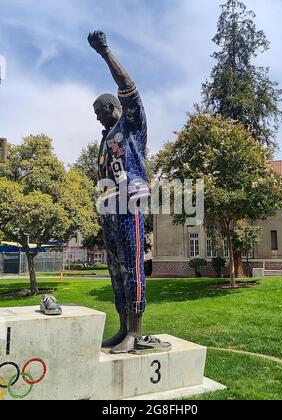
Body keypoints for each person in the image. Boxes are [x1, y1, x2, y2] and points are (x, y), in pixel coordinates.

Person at [87, 30, 148, 354]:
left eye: (101, 111)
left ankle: (135, 333)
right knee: (115, 268)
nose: (98, 117)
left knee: (132, 265)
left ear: (115, 107)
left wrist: (104, 52)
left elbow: (129, 88)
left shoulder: (132, 125)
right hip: (109, 207)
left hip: (129, 204)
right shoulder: (106, 137)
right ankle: (123, 327)